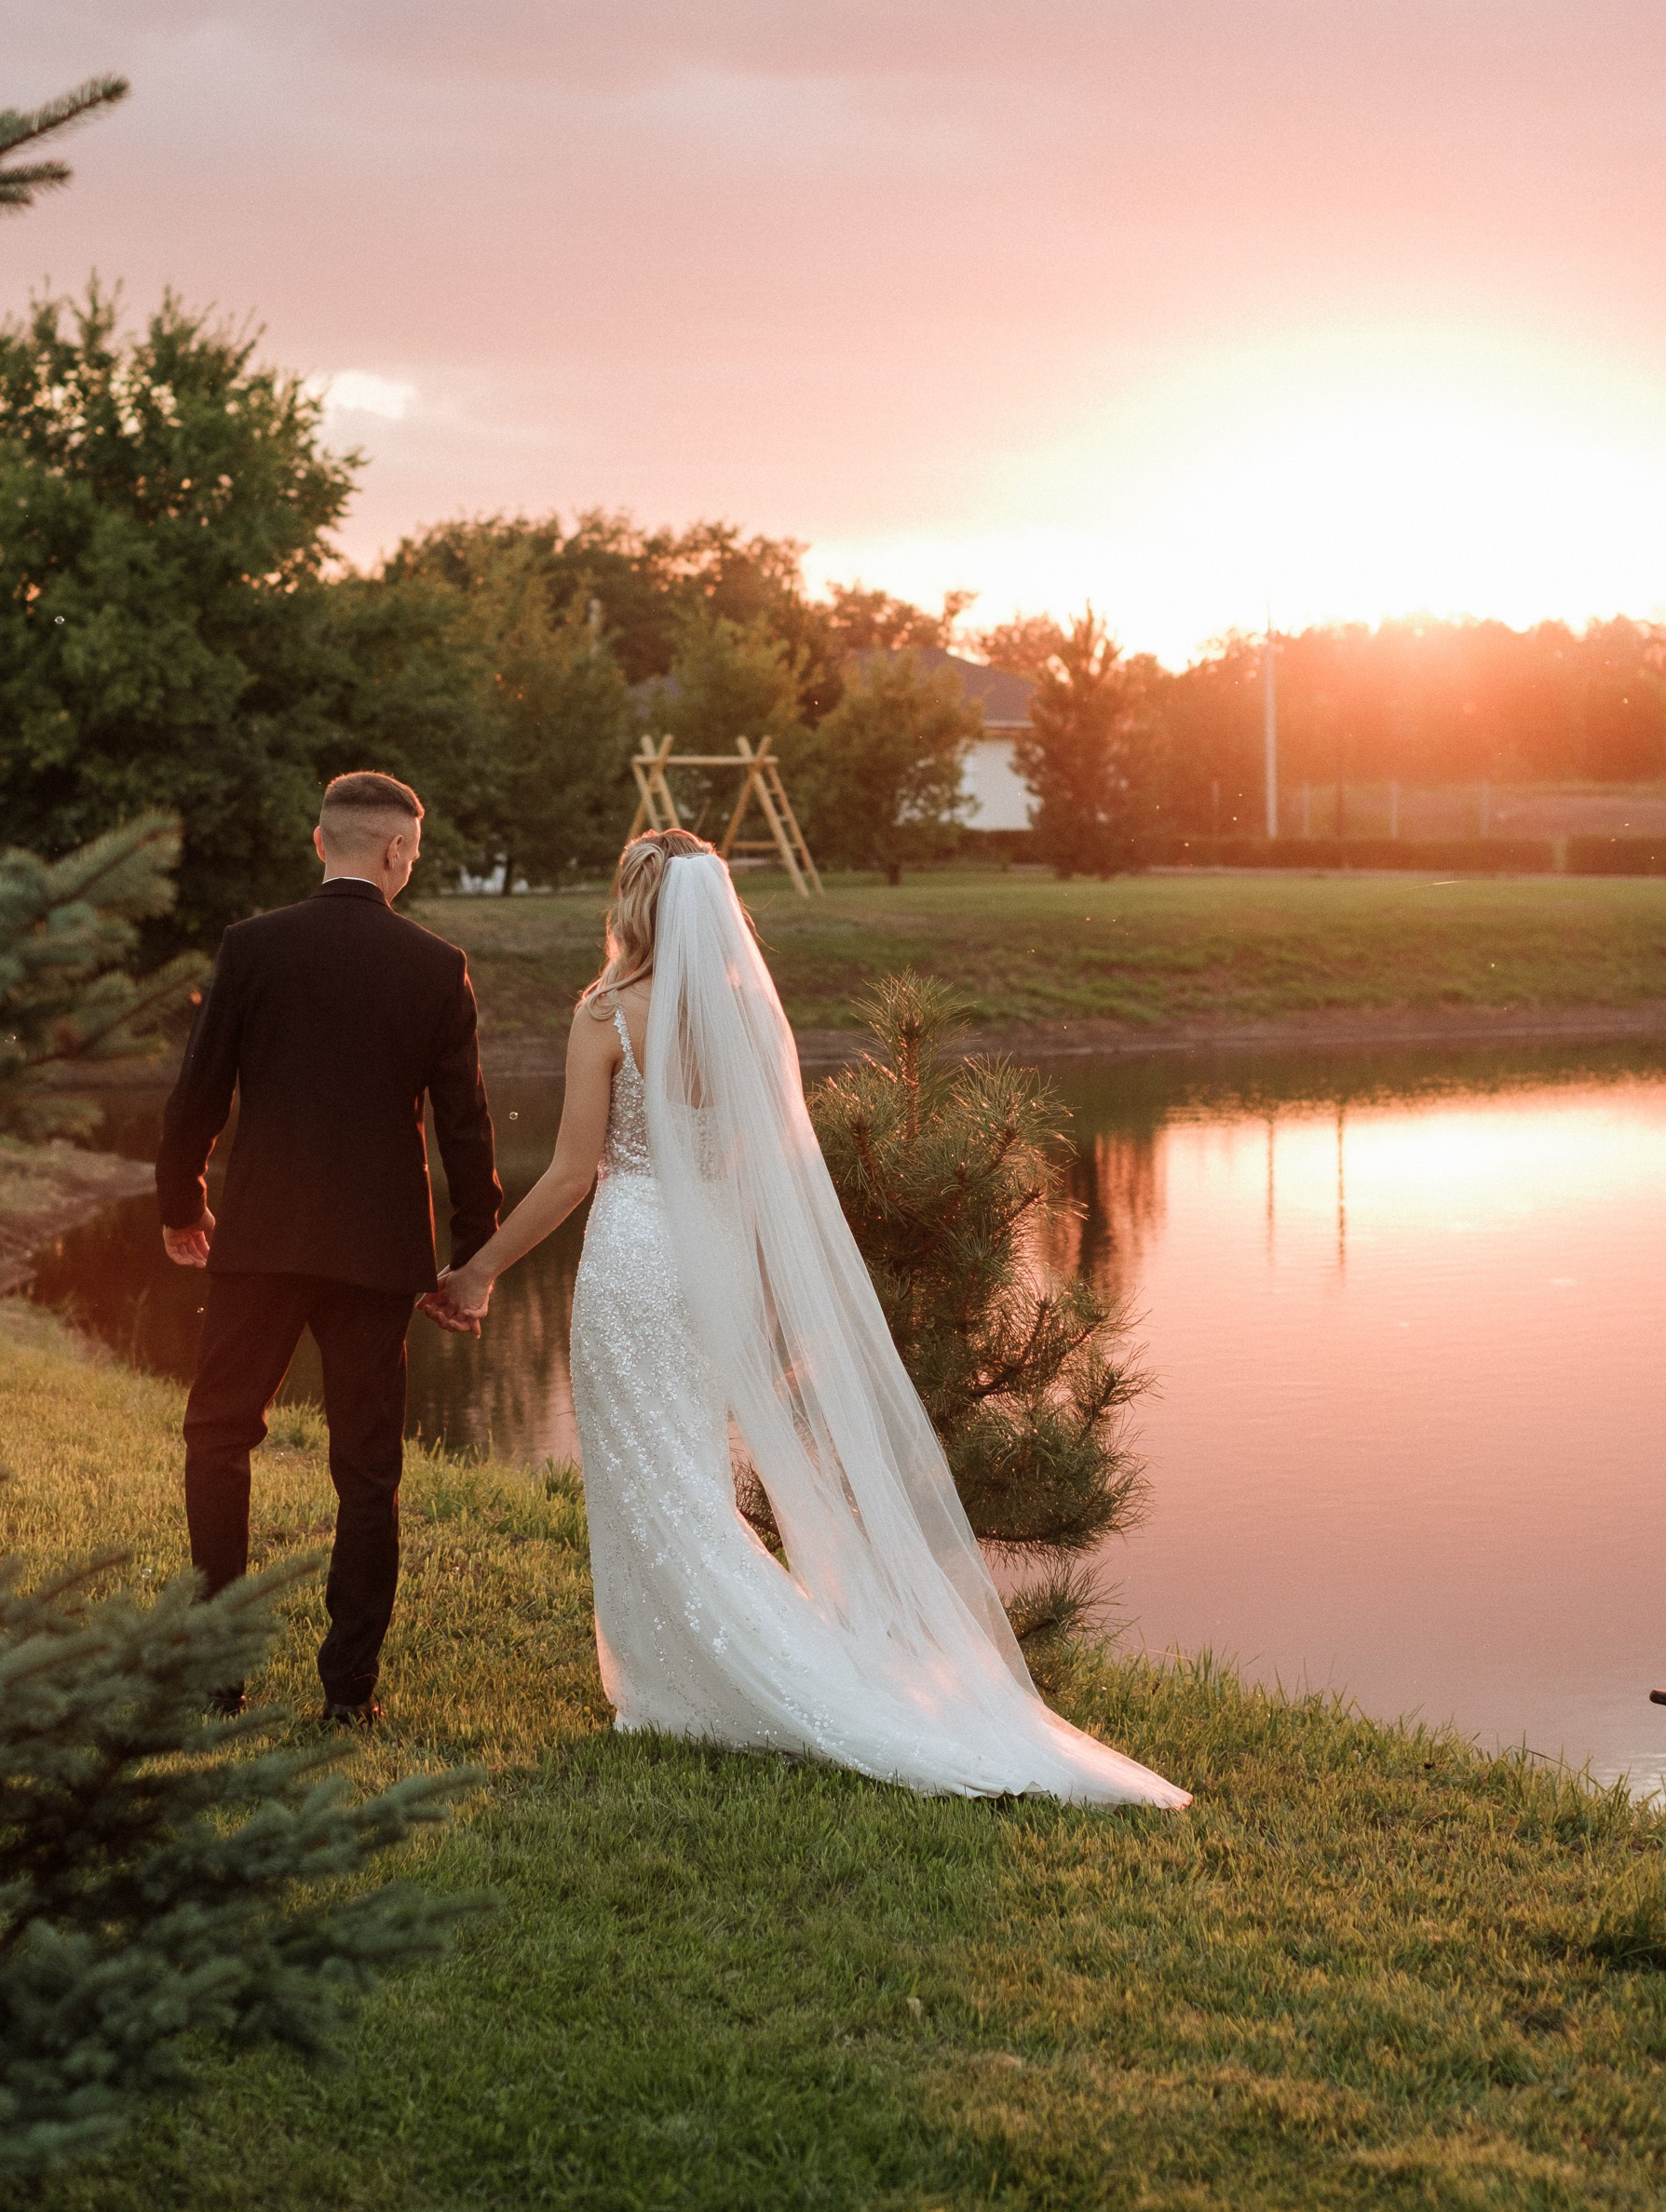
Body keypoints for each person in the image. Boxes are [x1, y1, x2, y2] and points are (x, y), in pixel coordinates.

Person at [427, 830, 1186, 1807]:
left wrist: (480, 1267)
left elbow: (574, 1172)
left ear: (630, 903)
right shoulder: (745, 1014)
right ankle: (675, 1682)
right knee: (685, 1475)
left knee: (645, 1476)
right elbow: (757, 1169)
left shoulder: (607, 1013)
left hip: (631, 1256)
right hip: (710, 1266)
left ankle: (707, 1683)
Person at [158, 770, 502, 1724]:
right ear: (395, 851)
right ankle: (348, 1696)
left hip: (261, 1235)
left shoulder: (252, 946)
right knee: (366, 1469)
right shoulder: (436, 965)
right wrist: (472, 1257)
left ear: (322, 843)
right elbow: (466, 1126)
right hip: (374, 1249)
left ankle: (215, 1675)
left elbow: (200, 1089)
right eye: (416, 850)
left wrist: (180, 1201)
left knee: (219, 1439)